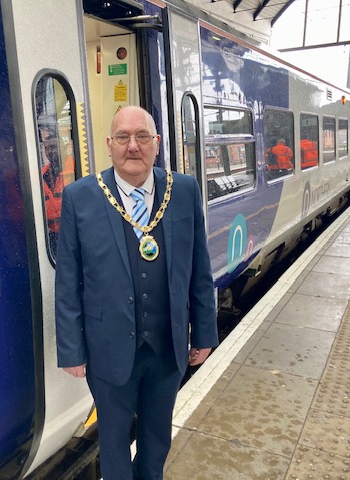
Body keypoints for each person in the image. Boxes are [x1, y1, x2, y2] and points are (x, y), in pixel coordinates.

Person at [55, 106, 219, 479]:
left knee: (156, 438)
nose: (134, 146)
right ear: (109, 145)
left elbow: (199, 269)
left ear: (157, 144)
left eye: (142, 137)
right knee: (112, 440)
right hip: (107, 348)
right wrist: (72, 350)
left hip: (167, 347)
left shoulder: (184, 190)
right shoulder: (80, 197)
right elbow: (68, 282)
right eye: (124, 138)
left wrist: (205, 333)